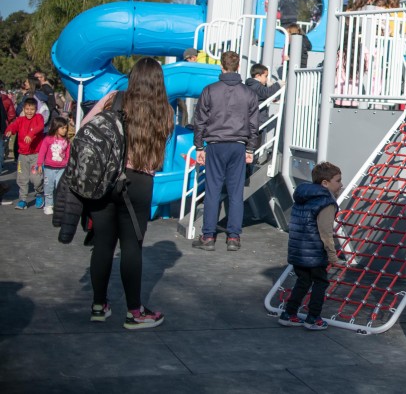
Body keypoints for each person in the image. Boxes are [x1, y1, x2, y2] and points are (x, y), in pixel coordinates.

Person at [85, 57, 174, 329]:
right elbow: (160, 152)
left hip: (105, 178)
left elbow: (86, 127)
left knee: (103, 244)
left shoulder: (114, 98)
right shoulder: (165, 111)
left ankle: (99, 305)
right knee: (131, 246)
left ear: (133, 77)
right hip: (139, 182)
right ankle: (134, 312)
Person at [192, 50, 260, 252]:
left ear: (221, 66)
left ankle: (208, 236)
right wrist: (250, 147)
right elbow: (254, 124)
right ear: (238, 67)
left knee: (212, 191)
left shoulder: (210, 90)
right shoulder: (249, 93)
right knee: (235, 192)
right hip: (238, 145)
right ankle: (233, 237)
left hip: (215, 144)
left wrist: (199, 146)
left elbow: (200, 121)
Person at [279, 161, 343, 330]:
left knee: (302, 281)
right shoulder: (326, 202)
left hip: (298, 249)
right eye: (338, 180)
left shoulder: (303, 196)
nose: (341, 184)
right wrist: (332, 255)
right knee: (320, 283)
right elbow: (325, 231)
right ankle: (313, 317)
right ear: (325, 183)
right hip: (314, 251)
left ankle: (288, 313)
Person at [4, 97, 45, 209]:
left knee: (36, 178)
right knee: (22, 178)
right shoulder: (20, 120)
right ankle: (23, 199)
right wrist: (9, 131)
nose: (29, 111)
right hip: (22, 155)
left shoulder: (39, 118)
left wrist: (31, 135)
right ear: (24, 109)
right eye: (27, 109)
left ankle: (39, 194)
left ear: (36, 109)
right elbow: (13, 126)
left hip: (36, 155)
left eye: (32, 109)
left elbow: (39, 127)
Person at [36, 116, 70, 215]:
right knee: (48, 186)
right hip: (49, 168)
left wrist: (68, 164)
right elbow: (42, 152)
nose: (65, 130)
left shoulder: (66, 141)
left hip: (62, 168)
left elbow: (68, 153)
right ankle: (48, 205)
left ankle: (58, 204)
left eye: (66, 128)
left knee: (59, 187)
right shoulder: (48, 139)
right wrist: (39, 164)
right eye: (62, 128)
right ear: (56, 127)